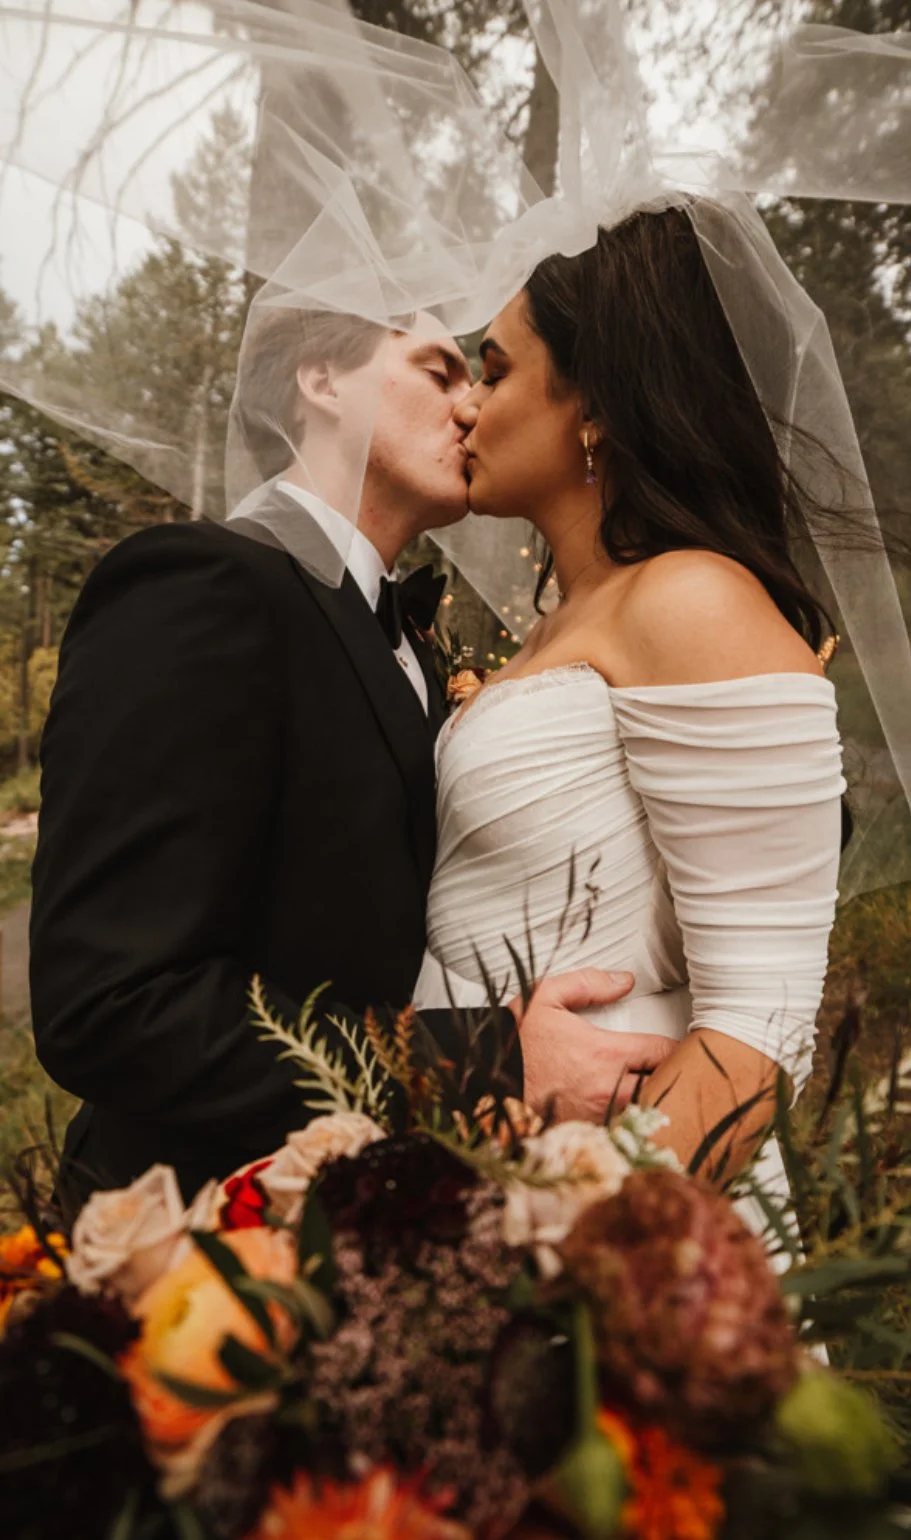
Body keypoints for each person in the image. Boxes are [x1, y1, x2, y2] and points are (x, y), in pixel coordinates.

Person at [30, 304, 663, 1212]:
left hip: (389, 1230)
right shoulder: (197, 586)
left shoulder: (408, 639)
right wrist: (485, 1062)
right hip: (205, 1248)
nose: (472, 406)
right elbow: (109, 1003)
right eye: (439, 371)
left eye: (478, 379)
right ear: (320, 381)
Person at [414, 205, 847, 1184]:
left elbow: (750, 1030)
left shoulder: (690, 598)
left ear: (595, 402)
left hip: (626, 1206)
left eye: (493, 371)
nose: (467, 408)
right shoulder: (560, 626)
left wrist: (579, 1248)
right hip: (483, 1172)